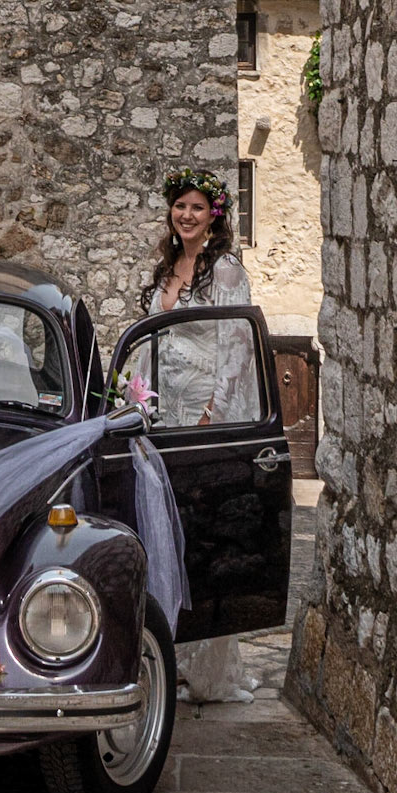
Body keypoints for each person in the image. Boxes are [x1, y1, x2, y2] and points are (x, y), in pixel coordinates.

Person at [139, 169, 257, 703]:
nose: (186, 215)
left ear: (215, 215)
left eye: (196, 207)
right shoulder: (166, 269)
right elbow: (148, 342)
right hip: (163, 417)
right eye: (179, 206)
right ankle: (172, 654)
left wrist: (216, 414)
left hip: (203, 417)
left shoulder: (225, 271)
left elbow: (236, 349)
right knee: (166, 532)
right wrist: (134, 398)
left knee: (204, 534)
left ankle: (209, 668)